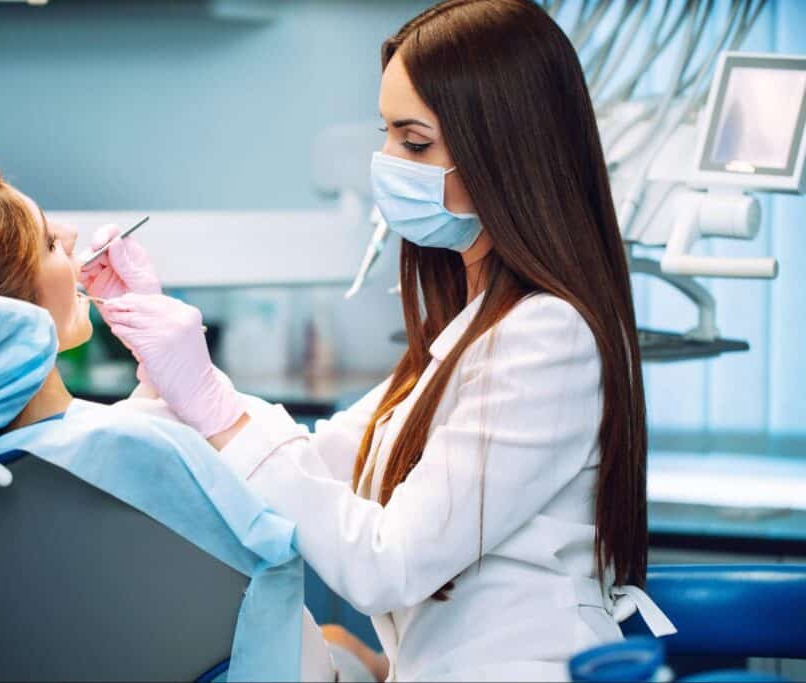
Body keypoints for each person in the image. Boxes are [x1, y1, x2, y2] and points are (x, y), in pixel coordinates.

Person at [81, 0, 675, 680]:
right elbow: (321, 457)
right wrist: (169, 374)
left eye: (414, 142)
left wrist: (209, 398)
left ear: (502, 156)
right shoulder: (469, 329)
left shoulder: (549, 337)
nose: (386, 161)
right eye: (387, 133)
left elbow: (385, 563)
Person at [0, 146, 335, 682]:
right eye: (48, 242)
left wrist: (154, 382)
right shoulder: (151, 453)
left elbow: (62, 456)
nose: (70, 237)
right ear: (4, 315)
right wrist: (203, 395)